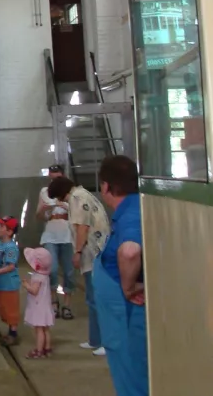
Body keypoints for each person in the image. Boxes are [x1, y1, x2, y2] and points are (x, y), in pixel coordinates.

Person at [94, 155, 147, 396]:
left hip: (125, 319)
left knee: (133, 380)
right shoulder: (135, 207)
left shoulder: (131, 212)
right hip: (119, 321)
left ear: (105, 186)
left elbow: (129, 251)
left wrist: (127, 287)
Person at [48, 175, 110, 356]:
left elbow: (82, 228)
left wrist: (77, 252)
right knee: (91, 299)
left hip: (93, 253)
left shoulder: (76, 198)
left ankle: (105, 342)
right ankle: (95, 339)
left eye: (60, 198)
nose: (61, 201)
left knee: (96, 298)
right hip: (96, 251)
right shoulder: (84, 194)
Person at [37, 164, 75, 319]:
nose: (54, 177)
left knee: (69, 271)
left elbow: (77, 212)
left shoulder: (71, 193)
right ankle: (54, 300)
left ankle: (67, 304)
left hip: (67, 234)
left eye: (57, 175)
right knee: (51, 269)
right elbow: (38, 215)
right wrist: (45, 209)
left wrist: (62, 205)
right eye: (52, 175)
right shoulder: (45, 192)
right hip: (50, 234)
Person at [0, 216, 21, 345]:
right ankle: (9, 332)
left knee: (11, 307)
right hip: (1, 283)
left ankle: (13, 333)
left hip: (10, 284)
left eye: (1, 226)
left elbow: (11, 266)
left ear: (9, 232)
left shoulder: (12, 248)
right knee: (4, 308)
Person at [22, 247, 55, 359]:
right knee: (46, 329)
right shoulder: (45, 275)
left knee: (39, 330)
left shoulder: (37, 277)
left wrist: (26, 285)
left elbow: (34, 291)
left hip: (38, 306)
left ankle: (39, 350)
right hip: (45, 306)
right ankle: (47, 348)